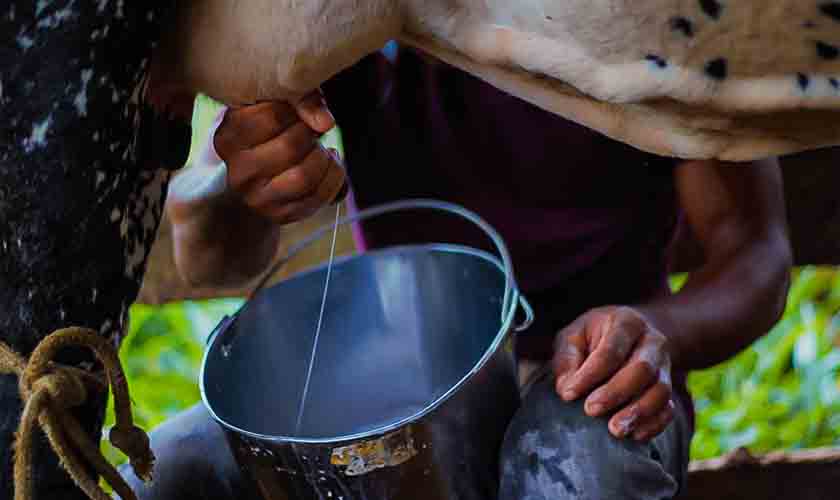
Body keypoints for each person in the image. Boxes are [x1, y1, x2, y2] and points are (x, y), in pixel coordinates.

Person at [121, 43, 793, 499]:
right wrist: (245, 178)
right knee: (168, 471)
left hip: (590, 375)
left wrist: (650, 331)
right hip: (405, 375)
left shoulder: (649, 26)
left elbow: (754, 252)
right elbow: (207, 254)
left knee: (577, 463)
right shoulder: (350, 22)